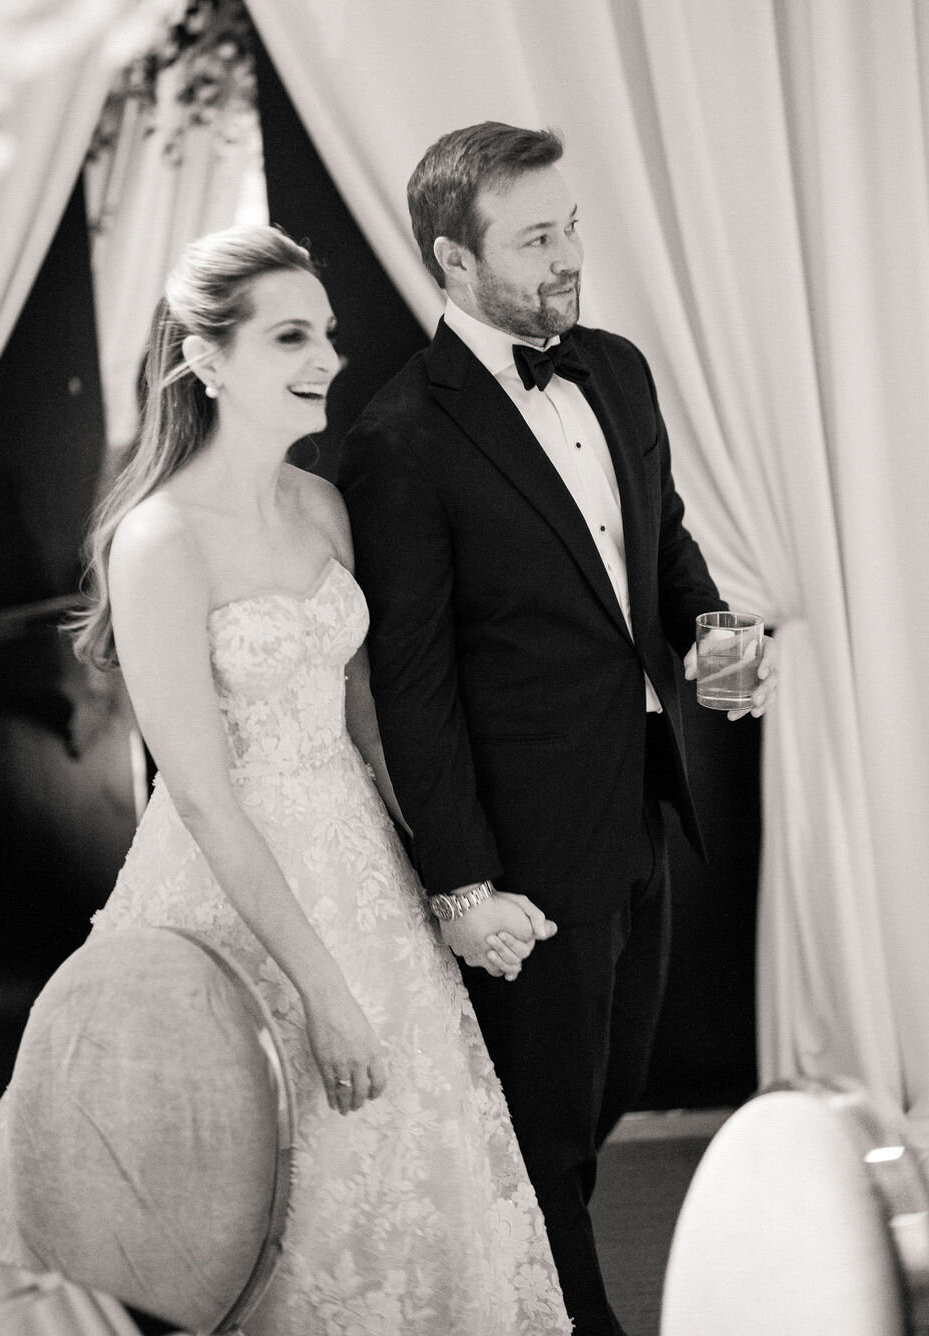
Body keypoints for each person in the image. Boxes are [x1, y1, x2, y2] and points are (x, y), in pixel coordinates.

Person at [0, 225, 571, 1336]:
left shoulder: (320, 506)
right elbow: (206, 797)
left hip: (360, 869)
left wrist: (459, 887)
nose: (325, 356)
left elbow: (369, 723)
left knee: (412, 1172)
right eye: (289, 336)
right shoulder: (158, 539)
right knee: (257, 1190)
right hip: (239, 900)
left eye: (324, 333)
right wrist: (324, 992)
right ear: (206, 357)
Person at [338, 123, 778, 1335]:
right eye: (536, 238)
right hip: (524, 857)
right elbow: (411, 685)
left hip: (641, 806)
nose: (569, 255)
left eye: (570, 224)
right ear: (452, 259)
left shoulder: (618, 369)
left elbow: (663, 540)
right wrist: (463, 883)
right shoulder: (398, 442)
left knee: (603, 1105)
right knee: (544, 1150)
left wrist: (710, 630)